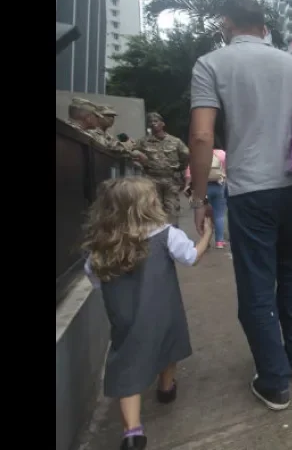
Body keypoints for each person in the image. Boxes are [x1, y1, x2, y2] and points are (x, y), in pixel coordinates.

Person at [188, 0, 292, 411]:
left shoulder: (211, 64)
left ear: (226, 23)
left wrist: (199, 199)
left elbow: (202, 137)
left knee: (257, 285)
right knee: (291, 269)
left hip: (252, 191)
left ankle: (273, 382)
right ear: (264, 25)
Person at [81, 177, 213, 450]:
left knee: (127, 367)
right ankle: (166, 388)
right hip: (163, 313)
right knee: (166, 347)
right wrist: (207, 236)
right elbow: (190, 257)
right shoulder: (166, 234)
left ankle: (132, 432)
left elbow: (94, 280)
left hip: (125, 321)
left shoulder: (100, 248)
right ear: (148, 206)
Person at [133, 112, 190, 226]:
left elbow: (186, 155)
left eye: (156, 121)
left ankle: (173, 236)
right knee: (153, 208)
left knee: (172, 208)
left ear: (162, 124)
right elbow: (132, 153)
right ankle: (156, 235)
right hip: (151, 179)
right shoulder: (143, 142)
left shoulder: (175, 141)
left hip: (171, 179)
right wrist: (141, 163)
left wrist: (180, 168)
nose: (153, 124)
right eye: (150, 122)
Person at [185, 148, 228, 249]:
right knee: (219, 215)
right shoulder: (222, 153)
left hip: (201, 188)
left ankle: (205, 242)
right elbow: (227, 170)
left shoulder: (196, 154)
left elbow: (188, 173)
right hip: (219, 186)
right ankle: (219, 242)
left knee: (201, 216)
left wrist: (187, 187)